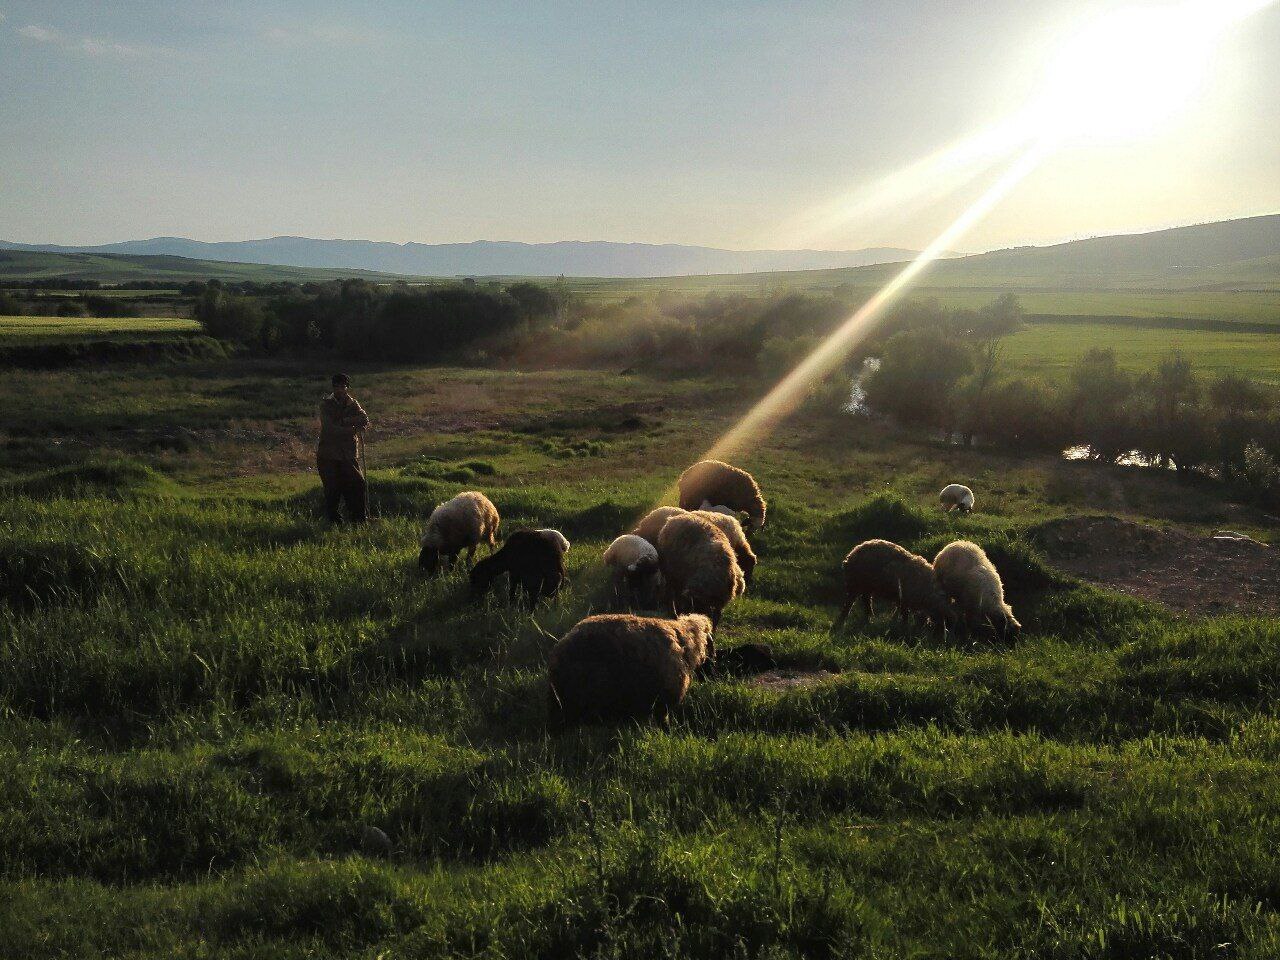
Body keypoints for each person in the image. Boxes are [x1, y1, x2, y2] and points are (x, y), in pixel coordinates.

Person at [316, 373, 370, 523]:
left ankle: (359, 520)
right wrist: (353, 429)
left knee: (358, 484)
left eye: (342, 386)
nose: (339, 389)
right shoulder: (326, 405)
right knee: (333, 489)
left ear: (347, 387)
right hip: (328, 454)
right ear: (333, 387)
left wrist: (344, 421)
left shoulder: (353, 403)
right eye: (337, 386)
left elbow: (364, 419)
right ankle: (334, 522)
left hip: (348, 454)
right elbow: (330, 429)